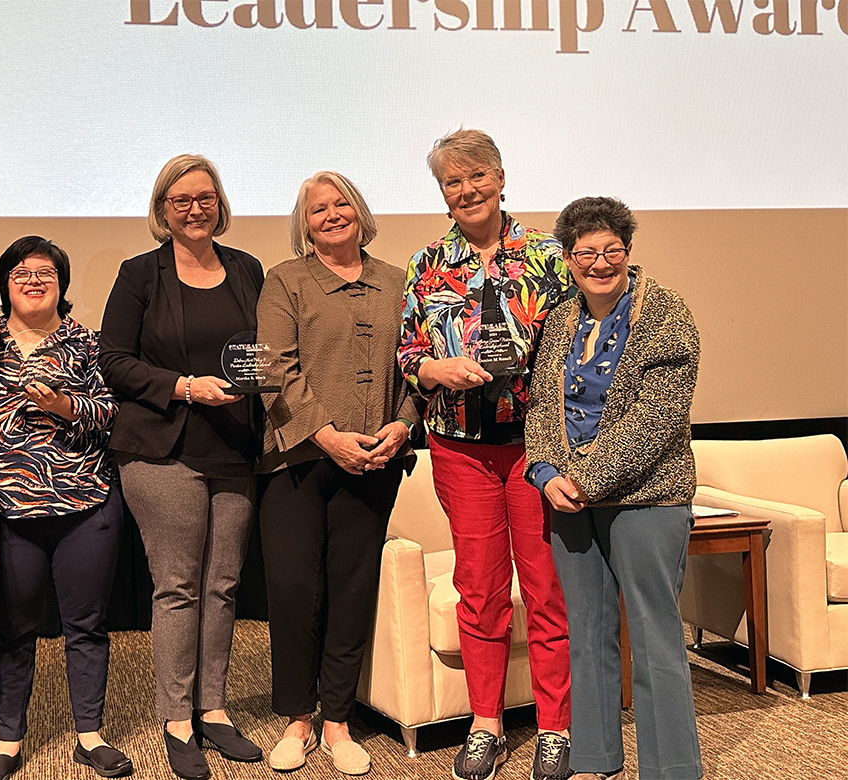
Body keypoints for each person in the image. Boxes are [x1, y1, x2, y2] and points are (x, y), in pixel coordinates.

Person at [397, 129, 573, 780]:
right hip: (460, 447)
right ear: (441, 193)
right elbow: (409, 351)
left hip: (537, 447)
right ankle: (486, 724)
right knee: (480, 588)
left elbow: (575, 344)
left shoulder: (550, 256)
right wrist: (434, 370)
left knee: (547, 587)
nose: (467, 189)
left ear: (501, 178)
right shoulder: (426, 263)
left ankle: (555, 726)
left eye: (477, 176)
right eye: (452, 181)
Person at [524, 197, 703, 780]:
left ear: (627, 250)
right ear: (569, 259)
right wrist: (547, 475)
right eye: (585, 253)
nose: (599, 263)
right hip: (570, 502)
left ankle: (670, 768)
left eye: (611, 251)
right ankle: (595, 758)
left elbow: (655, 420)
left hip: (648, 497)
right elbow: (542, 410)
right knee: (587, 633)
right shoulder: (560, 317)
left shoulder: (666, 314)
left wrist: (584, 477)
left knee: (654, 637)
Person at [98, 154, 264, 780]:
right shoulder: (140, 273)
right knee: (178, 587)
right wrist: (185, 386)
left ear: (219, 203)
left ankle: (214, 708)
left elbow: (264, 349)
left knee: (223, 585)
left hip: (234, 445)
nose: (195, 209)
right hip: (161, 449)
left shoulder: (247, 269)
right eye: (181, 199)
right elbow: (113, 360)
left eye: (206, 197)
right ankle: (177, 719)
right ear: (162, 209)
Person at [256, 171, 420, 776]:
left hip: (377, 458)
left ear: (360, 210)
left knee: (353, 591)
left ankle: (338, 722)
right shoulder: (286, 281)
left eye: (341, 202)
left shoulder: (400, 283)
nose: (331, 214)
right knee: (297, 592)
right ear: (305, 224)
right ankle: (298, 720)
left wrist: (403, 425)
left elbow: (417, 366)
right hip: (297, 461)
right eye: (317, 208)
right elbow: (274, 369)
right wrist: (328, 438)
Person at [0, 237, 129, 780]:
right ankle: (7, 742)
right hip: (8, 508)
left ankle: (90, 735)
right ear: (4, 282)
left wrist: (65, 406)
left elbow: (112, 412)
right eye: (20, 270)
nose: (33, 278)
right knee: (14, 628)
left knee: (85, 624)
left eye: (45, 271)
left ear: (61, 284)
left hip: (85, 501)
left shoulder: (87, 344)